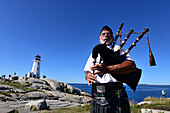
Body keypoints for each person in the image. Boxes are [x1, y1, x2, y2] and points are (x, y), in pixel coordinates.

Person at [84, 25, 136, 113]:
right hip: (98, 91)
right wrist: (88, 76)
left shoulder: (118, 49)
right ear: (100, 38)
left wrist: (108, 69)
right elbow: (88, 72)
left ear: (112, 37)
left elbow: (131, 66)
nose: (106, 35)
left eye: (108, 34)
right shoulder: (95, 51)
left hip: (116, 90)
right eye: (103, 34)